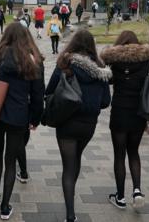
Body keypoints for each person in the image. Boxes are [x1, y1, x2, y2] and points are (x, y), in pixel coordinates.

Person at [45, 30, 111, 222]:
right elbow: (106, 101)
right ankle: (71, 196)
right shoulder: (100, 69)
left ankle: (70, 215)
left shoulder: (65, 64)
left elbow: (49, 91)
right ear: (92, 46)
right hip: (88, 125)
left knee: (68, 166)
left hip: (66, 122)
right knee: (76, 159)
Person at [100, 31, 149, 210]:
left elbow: (106, 80)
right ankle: (137, 190)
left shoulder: (114, 62)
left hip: (120, 112)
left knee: (119, 155)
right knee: (134, 153)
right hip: (139, 114)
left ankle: (120, 197)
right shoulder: (148, 62)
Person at [0, 23, 45, 220]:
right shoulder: (33, 61)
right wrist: (35, 119)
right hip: (18, 116)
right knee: (11, 161)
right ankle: (4, 206)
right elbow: (38, 95)